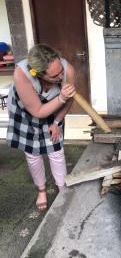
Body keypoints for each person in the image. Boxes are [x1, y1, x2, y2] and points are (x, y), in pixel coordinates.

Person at [7, 44, 76, 211]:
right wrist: (61, 97)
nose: (61, 77)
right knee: (33, 153)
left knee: (56, 150)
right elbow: (38, 111)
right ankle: (42, 190)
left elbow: (71, 99)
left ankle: (62, 188)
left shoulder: (68, 69)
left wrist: (57, 122)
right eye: (55, 76)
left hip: (55, 108)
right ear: (38, 74)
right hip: (26, 112)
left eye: (61, 71)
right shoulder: (22, 74)